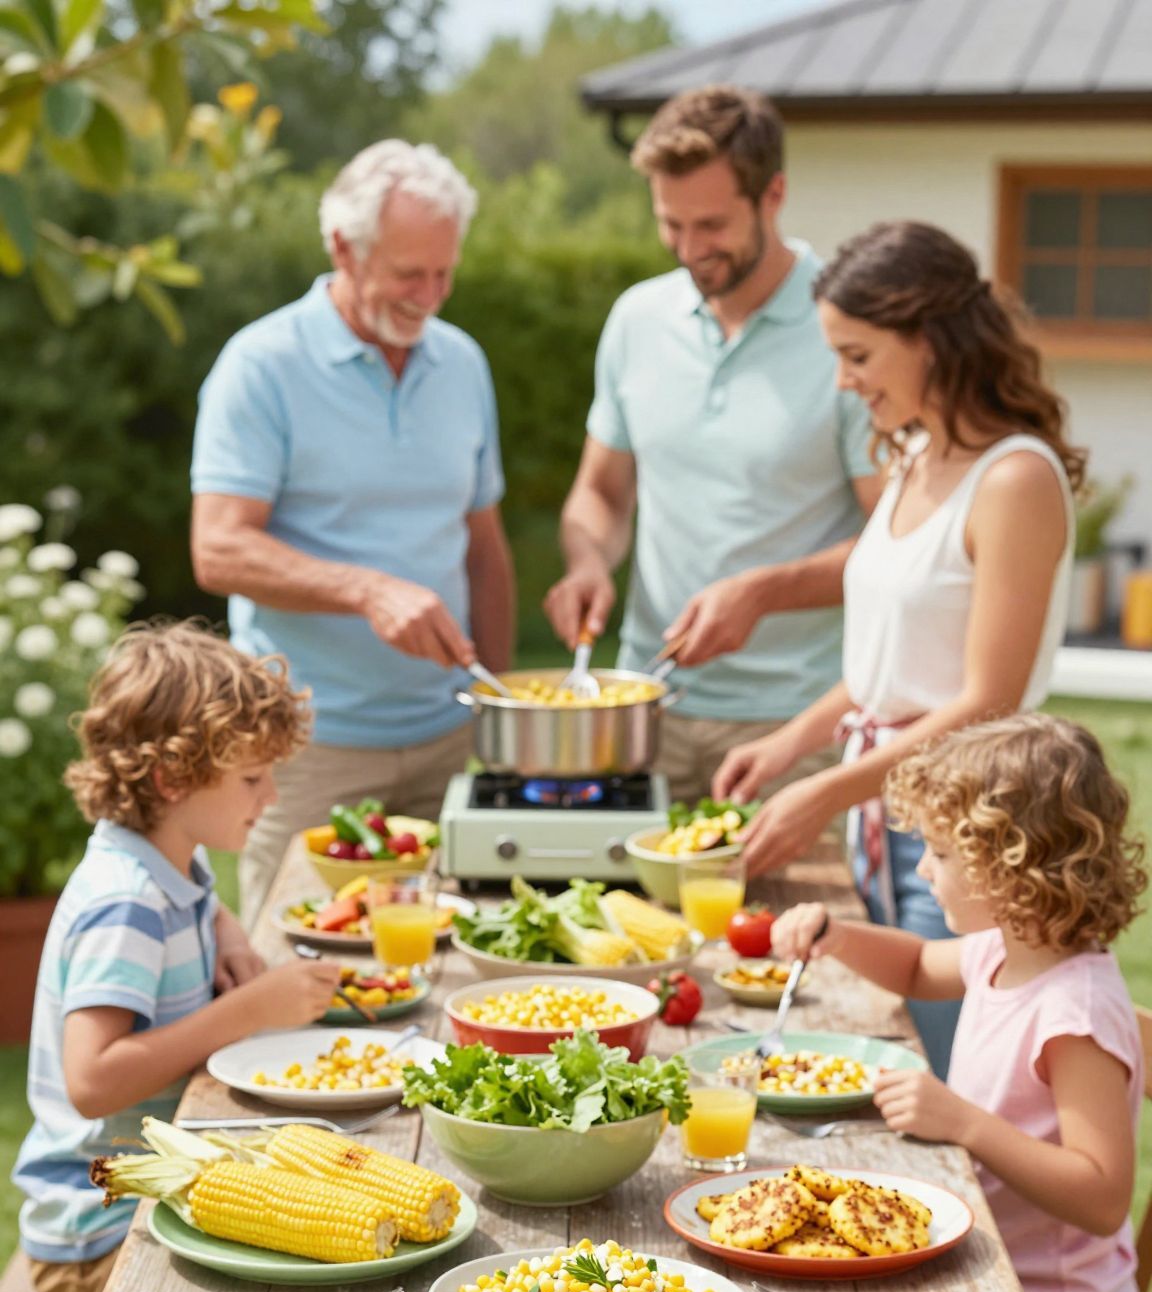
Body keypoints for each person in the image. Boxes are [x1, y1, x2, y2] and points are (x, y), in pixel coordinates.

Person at [714, 221, 1081, 1075]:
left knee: (945, 1080)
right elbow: (889, 669)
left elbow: (988, 700)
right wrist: (789, 745)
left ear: (930, 340)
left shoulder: (1015, 479)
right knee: (881, 1061)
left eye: (858, 356)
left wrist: (822, 792)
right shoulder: (916, 454)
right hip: (887, 816)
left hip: (968, 838)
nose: (844, 383)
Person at [771, 715, 1146, 1292]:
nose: (921, 870)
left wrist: (963, 1122)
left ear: (1013, 866)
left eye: (939, 853)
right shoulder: (1005, 948)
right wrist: (839, 936)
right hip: (981, 1276)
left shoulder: (1075, 1015)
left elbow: (1101, 1198)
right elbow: (916, 965)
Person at [191, 139, 516, 920]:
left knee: (448, 957)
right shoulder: (261, 365)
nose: (429, 296)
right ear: (343, 248)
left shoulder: (462, 363)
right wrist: (367, 590)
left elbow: (485, 550)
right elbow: (218, 548)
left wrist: (501, 719)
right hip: (306, 751)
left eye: (444, 273)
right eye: (409, 274)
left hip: (448, 741)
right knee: (292, 963)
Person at [544, 87, 880, 802]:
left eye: (712, 225)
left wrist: (762, 593)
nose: (691, 249)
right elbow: (602, 491)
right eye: (671, 224)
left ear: (773, 195)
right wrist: (588, 561)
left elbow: (897, 545)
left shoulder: (846, 331)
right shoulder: (636, 320)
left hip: (793, 727)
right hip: (642, 711)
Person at [14, 623, 343, 1292]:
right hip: (99, 1235)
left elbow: (202, 898)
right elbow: (92, 1079)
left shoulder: (169, 859)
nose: (270, 795)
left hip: (150, 1196)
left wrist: (229, 932)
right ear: (171, 779)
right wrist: (250, 1009)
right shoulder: (126, 904)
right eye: (251, 779)